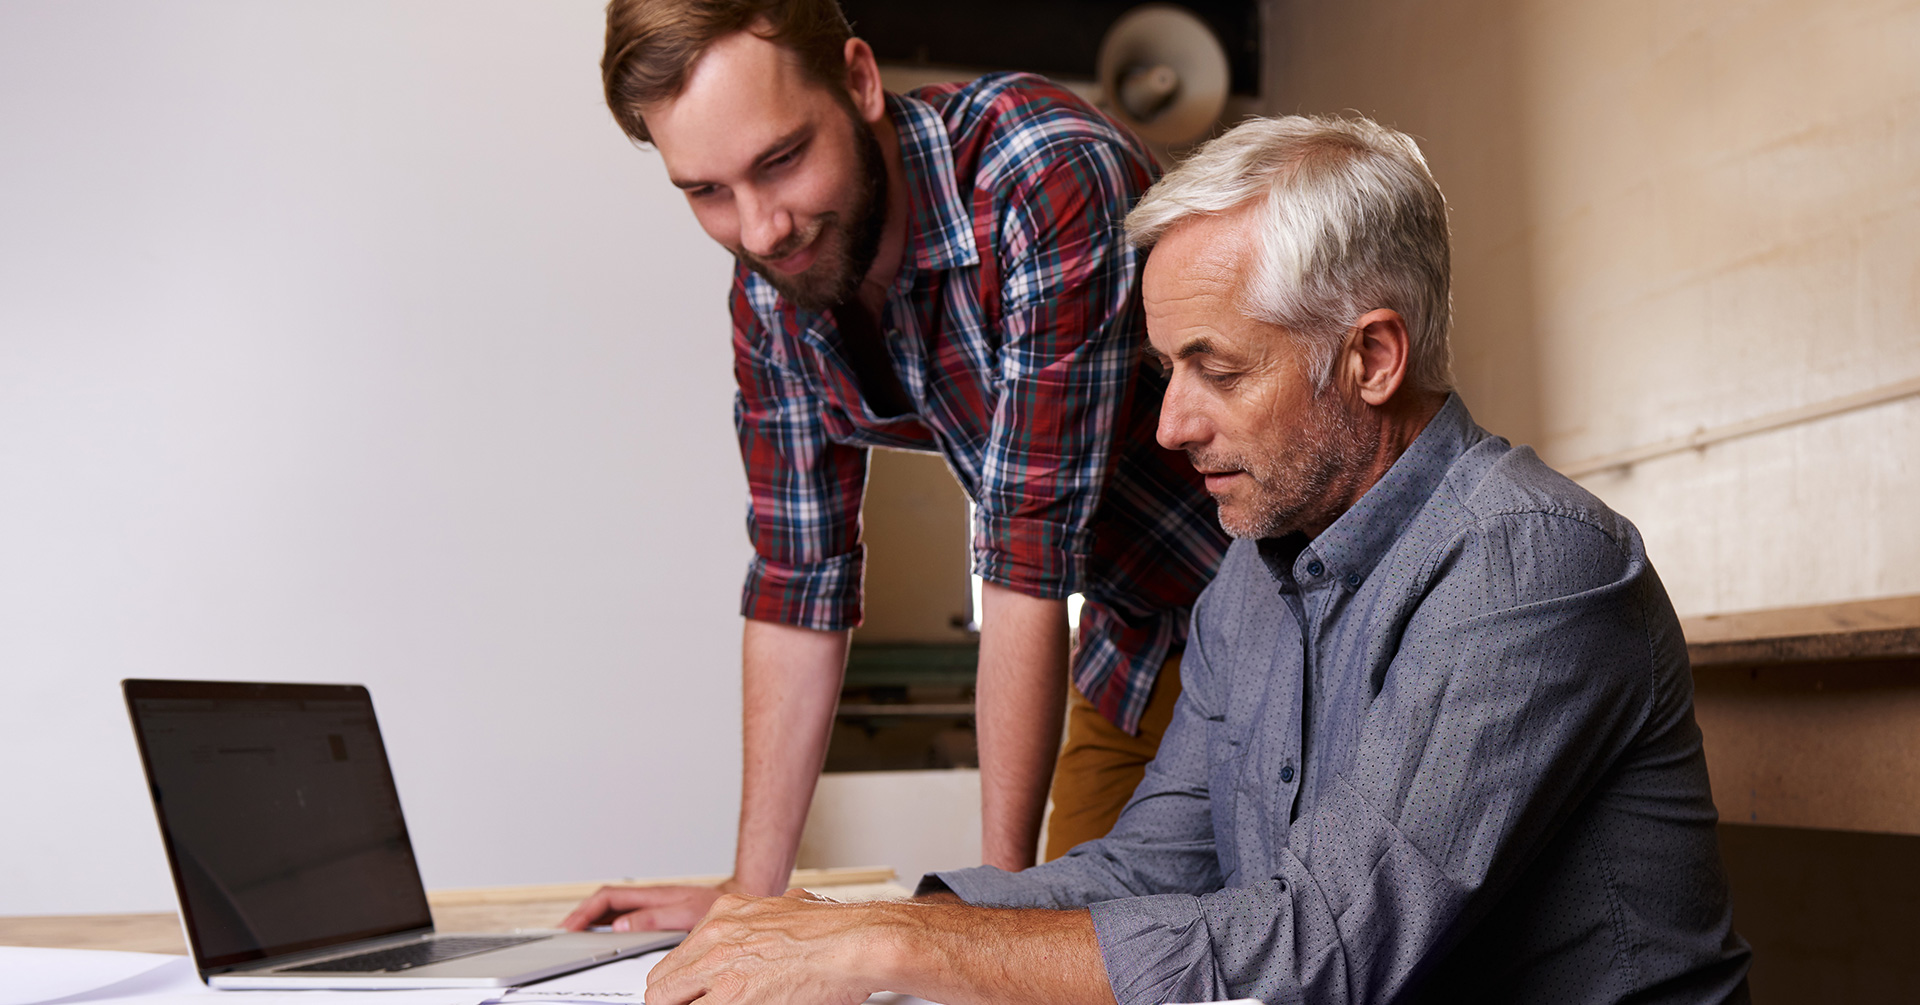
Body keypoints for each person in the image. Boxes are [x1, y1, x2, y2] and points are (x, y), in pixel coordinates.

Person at [630, 114, 1755, 1005]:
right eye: (1167, 370)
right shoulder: (1252, 581)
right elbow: (1149, 870)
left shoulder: (1529, 567)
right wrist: (845, 926)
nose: (1169, 427)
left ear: (1369, 357)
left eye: (1216, 370)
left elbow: (1319, 956)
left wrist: (894, 943)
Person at [561, 0, 1229, 932]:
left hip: (1281, 616)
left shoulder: (1044, 175)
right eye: (705, 191)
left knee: (1119, 950)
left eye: (781, 159)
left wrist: (986, 913)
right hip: (1133, 653)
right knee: (1072, 953)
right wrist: (748, 901)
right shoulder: (772, 289)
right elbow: (799, 582)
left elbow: (1026, 557)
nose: (760, 230)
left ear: (861, 81)